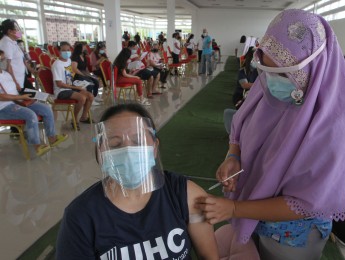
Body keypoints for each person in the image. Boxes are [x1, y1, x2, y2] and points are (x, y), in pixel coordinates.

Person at [196, 9, 345, 260]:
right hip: (255, 214)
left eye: (285, 73)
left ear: (314, 66)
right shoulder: (269, 88)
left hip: (292, 234)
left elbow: (305, 203)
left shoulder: (337, 130)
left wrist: (235, 208)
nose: (272, 81)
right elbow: (241, 127)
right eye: (266, 69)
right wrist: (233, 155)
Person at [56, 103, 219, 259]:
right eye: (114, 144)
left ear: (154, 147)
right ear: (101, 153)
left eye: (138, 142)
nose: (128, 152)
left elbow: (209, 256)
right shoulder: (80, 216)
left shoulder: (185, 194)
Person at [0, 50, 68, 156]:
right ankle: (36, 145)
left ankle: (52, 138)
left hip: (19, 101)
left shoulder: (6, 74)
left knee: (46, 109)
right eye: (2, 59)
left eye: (4, 59)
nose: (5, 61)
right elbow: (1, 97)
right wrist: (21, 96)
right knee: (31, 115)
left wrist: (35, 94)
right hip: (4, 108)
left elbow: (16, 89)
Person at [52, 41, 94, 130]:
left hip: (71, 87)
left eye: (68, 50)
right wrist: (76, 87)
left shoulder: (69, 61)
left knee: (90, 96)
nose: (67, 52)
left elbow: (71, 76)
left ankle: (83, 117)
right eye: (64, 50)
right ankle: (74, 120)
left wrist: (79, 84)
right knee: (82, 98)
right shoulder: (57, 64)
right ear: (59, 51)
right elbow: (59, 84)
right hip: (61, 91)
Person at [224, 47, 258, 134]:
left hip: (251, 97)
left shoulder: (259, 71)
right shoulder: (242, 71)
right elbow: (245, 85)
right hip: (240, 97)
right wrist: (261, 85)